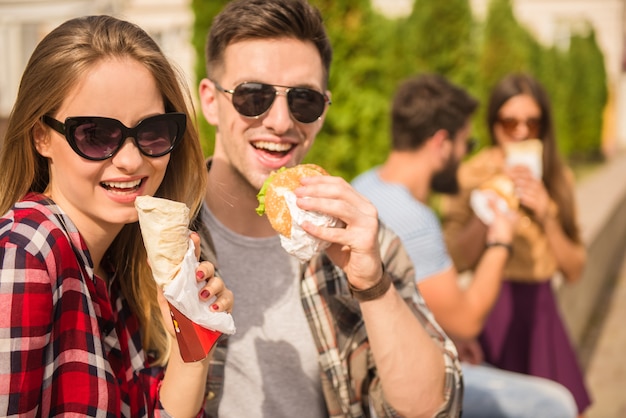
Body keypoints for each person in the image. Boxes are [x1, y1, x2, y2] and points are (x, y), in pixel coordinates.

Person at [193, 1, 462, 417]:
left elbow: (435, 409)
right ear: (211, 101)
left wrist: (372, 285)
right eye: (253, 96)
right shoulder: (161, 238)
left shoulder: (361, 241)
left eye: (304, 100)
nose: (281, 121)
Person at [0, 15, 233, 417]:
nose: (130, 160)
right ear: (41, 136)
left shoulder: (118, 267)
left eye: (153, 131)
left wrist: (192, 339)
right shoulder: (26, 253)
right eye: (95, 134)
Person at [352, 73, 578, 417]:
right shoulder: (414, 218)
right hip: (394, 386)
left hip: (373, 365)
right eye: (465, 143)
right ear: (442, 143)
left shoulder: (365, 184)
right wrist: (500, 238)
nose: (463, 156)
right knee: (555, 405)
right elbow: (468, 320)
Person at [440, 73, 592, 415]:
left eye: (532, 123)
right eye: (510, 122)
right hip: (491, 309)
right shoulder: (469, 175)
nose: (521, 132)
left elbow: (575, 270)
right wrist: (488, 205)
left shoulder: (557, 176)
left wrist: (547, 215)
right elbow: (454, 260)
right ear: (493, 124)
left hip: (541, 312)